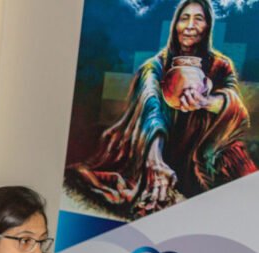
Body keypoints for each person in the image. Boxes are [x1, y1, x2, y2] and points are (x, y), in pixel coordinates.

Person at [66, 0, 255, 217]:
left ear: (208, 27)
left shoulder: (220, 66)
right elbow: (150, 109)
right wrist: (155, 161)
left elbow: (237, 109)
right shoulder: (155, 66)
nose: (190, 25)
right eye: (184, 18)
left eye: (198, 19)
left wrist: (206, 102)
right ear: (175, 25)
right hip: (165, 151)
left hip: (205, 151)